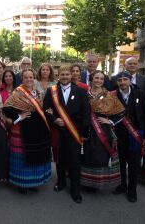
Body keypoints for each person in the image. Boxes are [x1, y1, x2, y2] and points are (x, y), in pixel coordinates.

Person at [43, 65, 90, 203]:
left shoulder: (81, 91)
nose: (64, 77)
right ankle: (61, 182)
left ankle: (75, 189)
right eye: (62, 74)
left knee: (75, 161)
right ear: (58, 76)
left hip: (74, 131)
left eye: (67, 74)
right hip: (58, 131)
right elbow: (45, 109)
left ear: (71, 76)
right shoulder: (52, 91)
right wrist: (54, 119)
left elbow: (86, 113)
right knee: (60, 159)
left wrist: (84, 132)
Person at [3, 69, 52, 194]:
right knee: (21, 156)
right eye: (26, 77)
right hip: (21, 129)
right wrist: (19, 117)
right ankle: (21, 183)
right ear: (22, 79)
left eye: (31, 77)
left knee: (35, 154)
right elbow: (6, 108)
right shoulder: (17, 92)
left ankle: (33, 182)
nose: (29, 80)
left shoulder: (37, 92)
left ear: (34, 78)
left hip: (36, 129)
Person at [81, 70, 124, 191]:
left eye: (101, 79)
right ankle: (85, 182)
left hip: (102, 130)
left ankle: (97, 183)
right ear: (91, 79)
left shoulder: (109, 95)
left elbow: (121, 112)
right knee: (86, 155)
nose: (99, 81)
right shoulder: (84, 93)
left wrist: (109, 121)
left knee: (99, 155)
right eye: (96, 78)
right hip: (86, 128)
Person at [112, 72, 145, 202]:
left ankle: (132, 190)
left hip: (136, 134)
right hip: (119, 134)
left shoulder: (140, 94)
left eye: (125, 79)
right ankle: (123, 185)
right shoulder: (113, 95)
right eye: (120, 80)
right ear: (117, 82)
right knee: (121, 162)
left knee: (134, 164)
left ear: (130, 81)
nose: (122, 82)